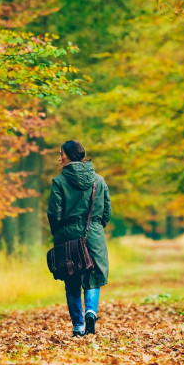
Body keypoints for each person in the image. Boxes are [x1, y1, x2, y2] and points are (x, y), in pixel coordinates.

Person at [47, 140, 112, 337]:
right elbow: (107, 211)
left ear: (69, 155)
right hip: (93, 234)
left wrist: (59, 232)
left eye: (61, 154)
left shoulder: (59, 182)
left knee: (71, 278)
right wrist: (96, 228)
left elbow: (54, 213)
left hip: (67, 235)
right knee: (93, 276)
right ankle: (91, 312)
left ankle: (78, 326)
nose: (59, 158)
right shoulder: (99, 180)